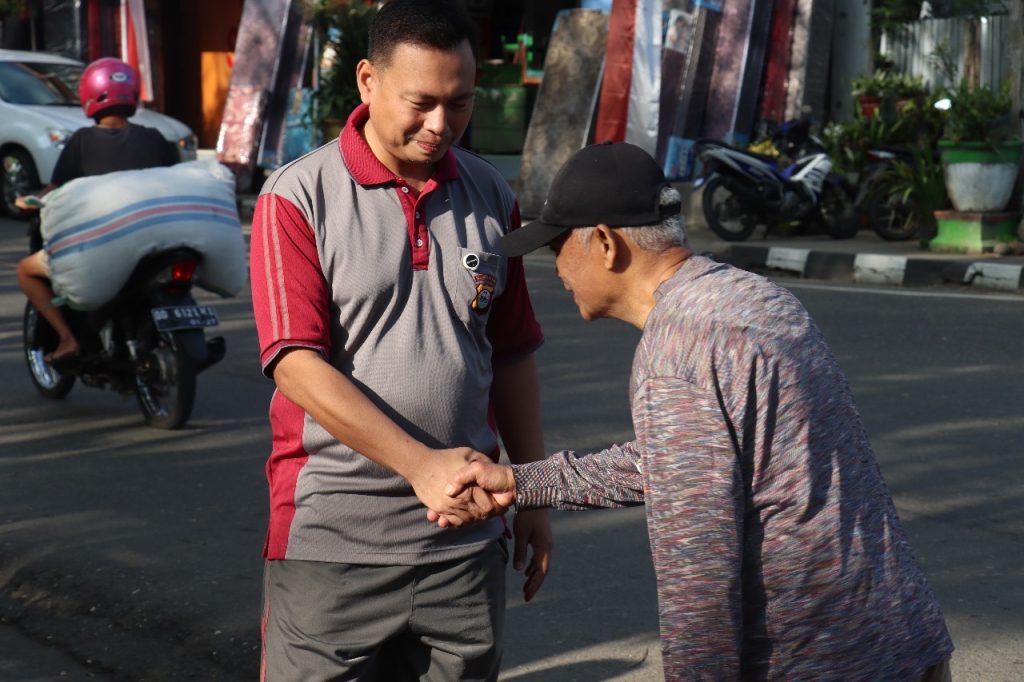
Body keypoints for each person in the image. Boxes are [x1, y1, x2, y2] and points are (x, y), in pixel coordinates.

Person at [433, 142, 955, 681]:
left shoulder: (675, 352)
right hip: (901, 633)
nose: (557, 269)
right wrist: (522, 483)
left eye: (556, 246)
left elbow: (700, 568)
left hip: (820, 660)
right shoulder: (752, 296)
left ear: (606, 244)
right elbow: (682, 461)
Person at [248, 1, 552, 679]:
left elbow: (511, 352)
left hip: (465, 543)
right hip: (333, 544)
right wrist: (421, 466)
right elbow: (294, 363)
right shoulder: (298, 196)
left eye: (460, 102)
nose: (441, 124)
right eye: (421, 102)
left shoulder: (491, 194)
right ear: (367, 80)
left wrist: (531, 492)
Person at [14, 56, 177, 364]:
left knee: (25, 270)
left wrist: (27, 201)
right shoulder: (154, 138)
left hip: (102, 245)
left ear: (89, 94)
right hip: (158, 244)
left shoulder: (81, 142)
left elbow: (55, 191)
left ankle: (67, 339)